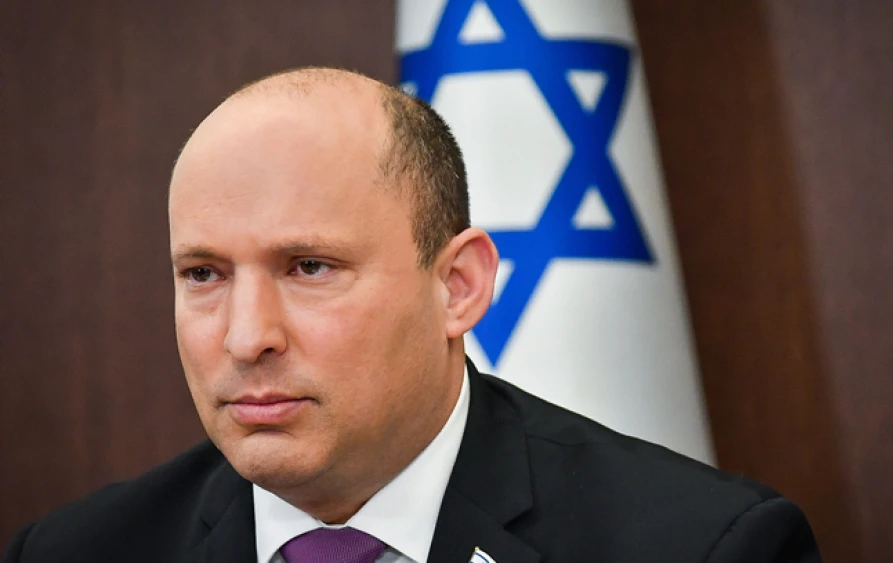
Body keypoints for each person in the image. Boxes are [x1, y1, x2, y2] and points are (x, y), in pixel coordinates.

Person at [3, 67, 821, 563]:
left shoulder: (704, 549)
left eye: (310, 266)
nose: (246, 336)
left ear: (458, 286)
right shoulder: (76, 552)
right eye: (204, 274)